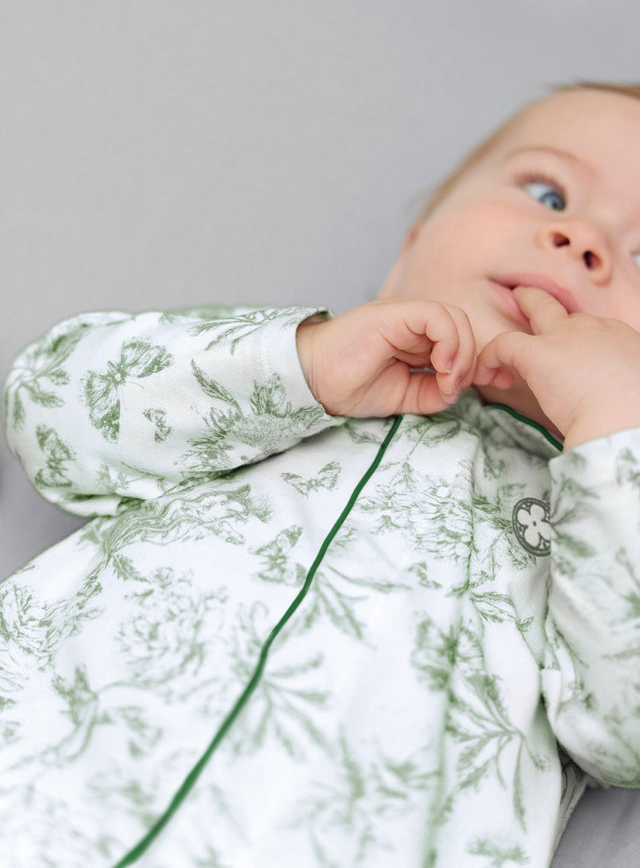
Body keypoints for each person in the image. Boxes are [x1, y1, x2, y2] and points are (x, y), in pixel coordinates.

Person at [2, 82, 640, 868]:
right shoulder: (281, 385)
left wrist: (617, 425)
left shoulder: (601, 527)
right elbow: (50, 406)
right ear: (409, 253)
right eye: (547, 193)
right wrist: (299, 365)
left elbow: (627, 727)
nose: (582, 239)